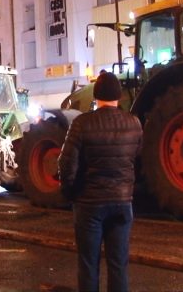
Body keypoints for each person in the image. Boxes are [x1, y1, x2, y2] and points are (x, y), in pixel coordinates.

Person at [58, 71, 142, 292]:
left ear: (95, 96)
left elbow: (66, 164)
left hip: (89, 204)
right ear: (119, 96)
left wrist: (70, 192)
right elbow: (138, 160)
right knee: (119, 265)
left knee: (88, 265)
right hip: (122, 203)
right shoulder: (134, 123)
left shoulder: (81, 123)